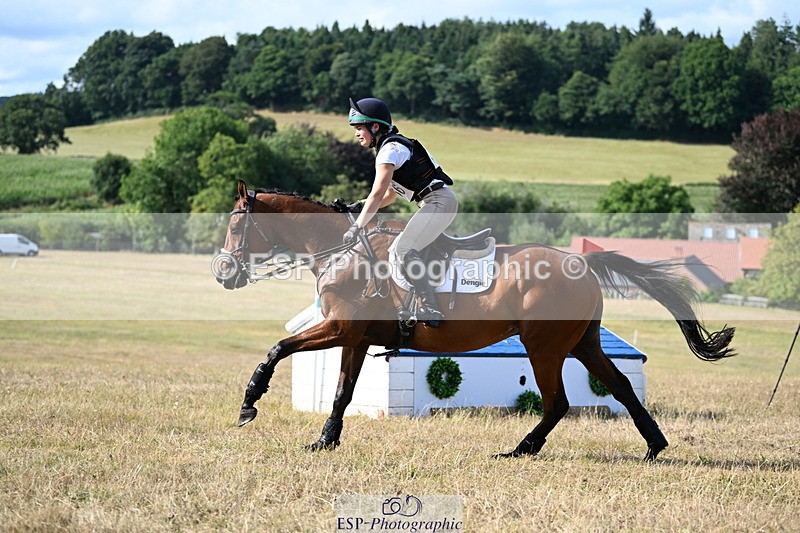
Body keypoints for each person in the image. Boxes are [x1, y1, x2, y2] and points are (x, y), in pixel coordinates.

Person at [343, 97, 458, 327]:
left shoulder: (389, 151)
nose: (356, 134)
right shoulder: (391, 148)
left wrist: (357, 227)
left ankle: (430, 308)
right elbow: (389, 196)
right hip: (434, 201)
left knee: (403, 249)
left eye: (359, 128)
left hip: (438, 202)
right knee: (398, 248)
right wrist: (358, 205)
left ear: (375, 127)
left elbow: (377, 194)